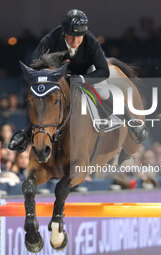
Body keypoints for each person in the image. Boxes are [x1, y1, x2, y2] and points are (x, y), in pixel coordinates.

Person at [8, 9, 148, 152]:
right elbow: (33, 63)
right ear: (63, 31)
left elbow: (104, 71)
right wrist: (52, 70)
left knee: (103, 91)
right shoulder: (51, 38)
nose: (76, 41)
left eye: (79, 36)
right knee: (38, 94)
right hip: (59, 74)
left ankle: (131, 122)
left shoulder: (91, 40)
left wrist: (81, 79)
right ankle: (25, 134)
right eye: (71, 37)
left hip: (86, 71)